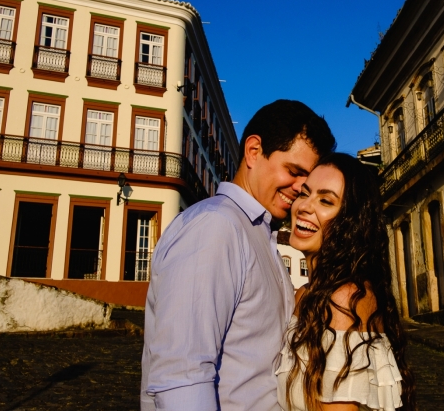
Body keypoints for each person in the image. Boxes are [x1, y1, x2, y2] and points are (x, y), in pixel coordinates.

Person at [141, 99, 336, 411]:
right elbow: (182, 377)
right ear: (254, 151)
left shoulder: (256, 231)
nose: (301, 190)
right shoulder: (216, 226)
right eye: (294, 171)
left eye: (308, 180)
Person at [276, 153, 415, 411]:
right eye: (304, 194)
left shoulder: (346, 299)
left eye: (325, 200)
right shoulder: (304, 295)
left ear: (351, 221)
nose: (304, 207)